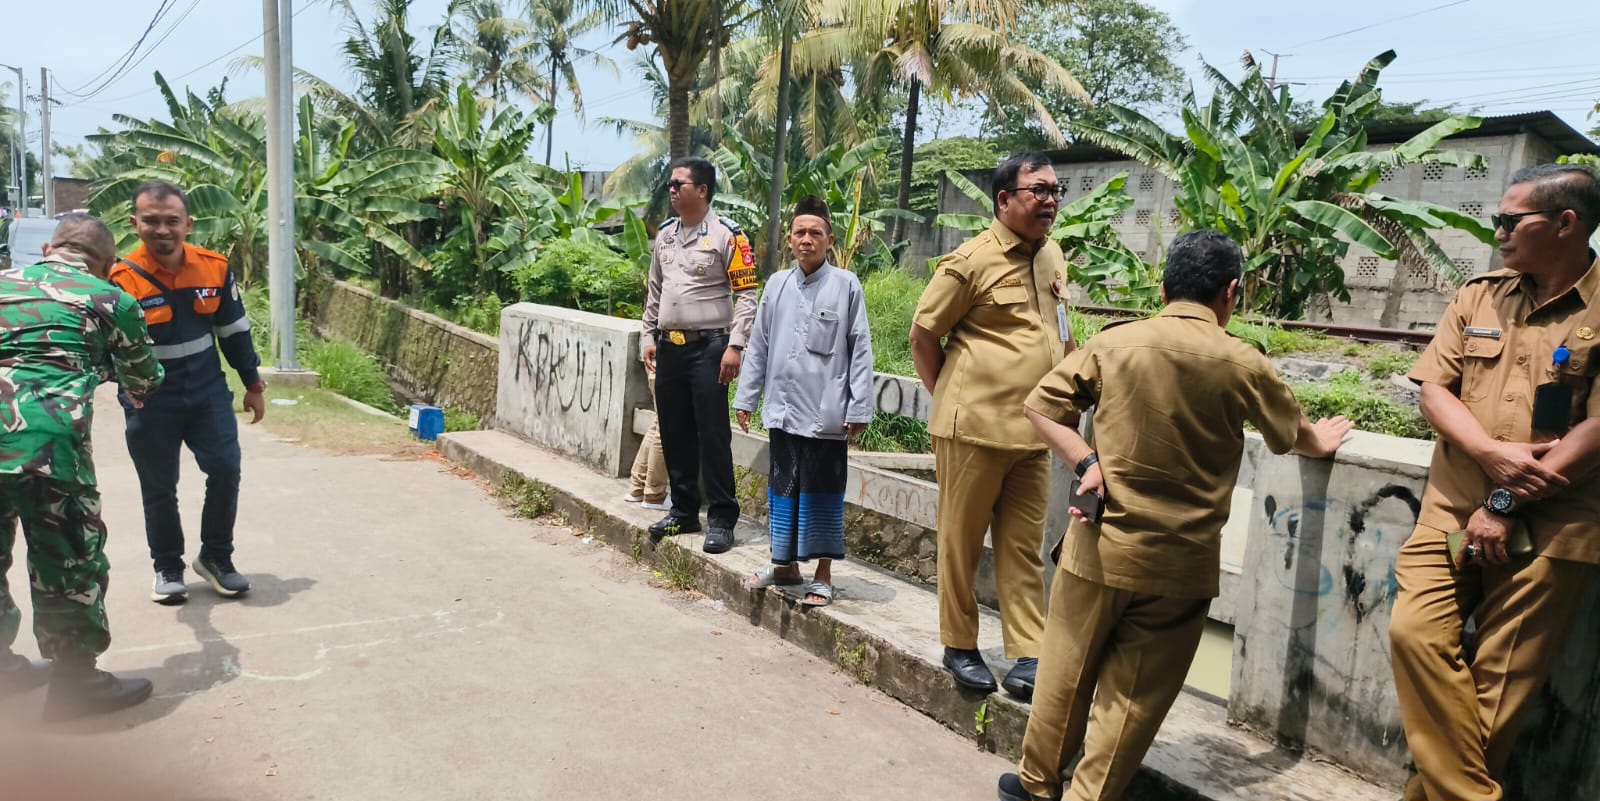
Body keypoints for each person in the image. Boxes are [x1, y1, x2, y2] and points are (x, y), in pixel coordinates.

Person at [996, 230, 1351, 801]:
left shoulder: (1115, 344)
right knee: (1131, 701)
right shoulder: (1245, 362)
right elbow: (1294, 435)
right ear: (1230, 292)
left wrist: (1087, 461)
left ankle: (1036, 786)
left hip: (1098, 544)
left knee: (1065, 672)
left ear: (1163, 289)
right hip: (1179, 564)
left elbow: (1039, 406)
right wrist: (1323, 439)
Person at [1388, 163, 1600, 801]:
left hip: (1556, 525)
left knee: (1495, 695)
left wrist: (1504, 500)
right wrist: (1487, 452)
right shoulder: (1480, 295)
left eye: (1511, 220)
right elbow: (1434, 390)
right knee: (1414, 634)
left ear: (1565, 223)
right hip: (1452, 510)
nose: (1498, 231)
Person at [909, 152, 1073, 700]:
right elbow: (923, 336)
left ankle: (1028, 652)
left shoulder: (1053, 257)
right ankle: (959, 644)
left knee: (1023, 546)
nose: (1049, 200)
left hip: (1035, 432)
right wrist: (951, 400)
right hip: (972, 430)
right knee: (960, 542)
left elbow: (1061, 331)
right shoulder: (970, 261)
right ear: (1004, 200)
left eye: (1055, 190)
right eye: (1037, 190)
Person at [0, 213, 165, 719]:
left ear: (48, 249)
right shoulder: (111, 300)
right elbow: (144, 379)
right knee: (68, 560)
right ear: (109, 265)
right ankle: (76, 686)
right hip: (48, 449)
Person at [109, 181, 265, 605]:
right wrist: (125, 386)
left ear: (188, 224)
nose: (162, 229)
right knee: (159, 485)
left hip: (206, 392)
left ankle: (216, 557)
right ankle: (167, 566)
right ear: (135, 223)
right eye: (151, 221)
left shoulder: (214, 268)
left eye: (172, 221)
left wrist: (252, 384)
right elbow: (107, 347)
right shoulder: (119, 280)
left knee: (225, 469)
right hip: (149, 400)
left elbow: (234, 332)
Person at [734, 196, 874, 607]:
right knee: (784, 489)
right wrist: (747, 397)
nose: (807, 240)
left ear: (829, 240)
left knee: (823, 492)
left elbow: (860, 350)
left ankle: (823, 575)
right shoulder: (777, 285)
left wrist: (859, 407)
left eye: (815, 233)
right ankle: (785, 566)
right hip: (782, 408)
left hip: (826, 412)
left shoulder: (845, 285)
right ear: (790, 240)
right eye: (800, 233)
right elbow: (759, 345)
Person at [641, 157, 759, 554]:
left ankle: (722, 518)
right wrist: (648, 335)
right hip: (669, 347)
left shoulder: (729, 236)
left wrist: (735, 345)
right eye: (671, 185)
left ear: (703, 190)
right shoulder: (665, 235)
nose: (672, 190)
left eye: (680, 184)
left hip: (710, 348)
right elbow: (655, 291)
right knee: (674, 431)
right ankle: (684, 511)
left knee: (712, 434)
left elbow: (747, 296)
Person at [623, 370, 671, 512]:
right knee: (667, 426)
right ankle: (654, 493)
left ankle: (639, 486)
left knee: (660, 421)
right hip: (668, 366)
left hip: (656, 365)